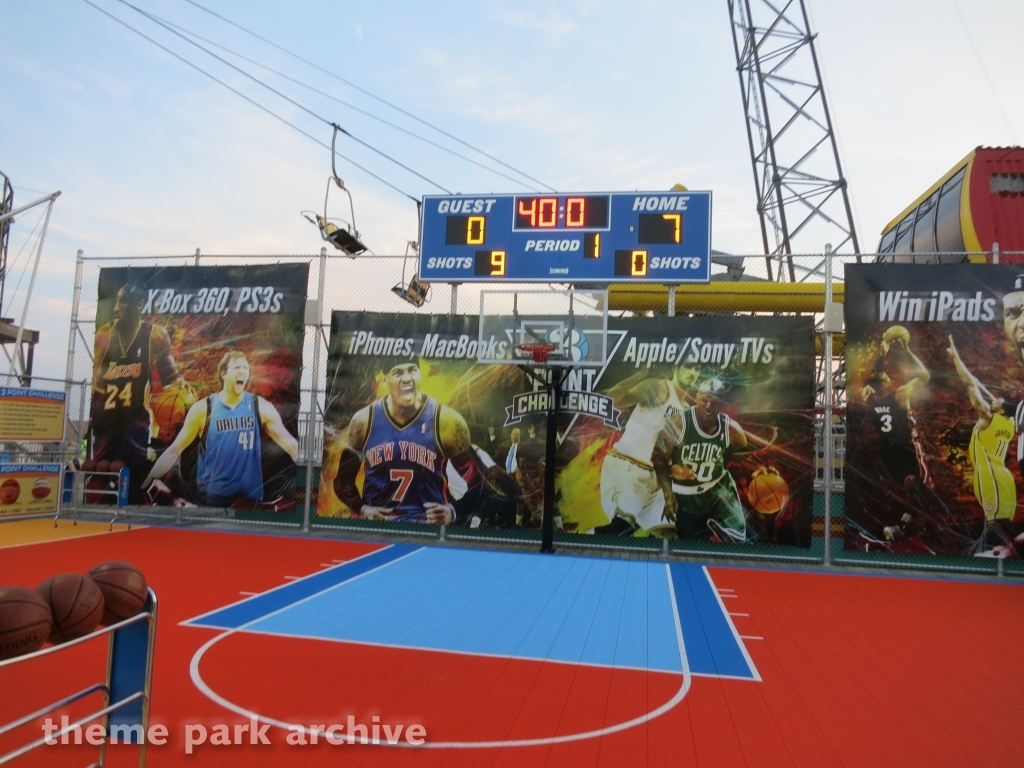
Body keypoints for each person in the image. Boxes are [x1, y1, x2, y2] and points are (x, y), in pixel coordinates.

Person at [142, 351, 298, 506]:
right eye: (237, 367)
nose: (243, 371)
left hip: (251, 497)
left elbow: (290, 444)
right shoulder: (204, 408)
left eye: (245, 368)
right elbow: (174, 450)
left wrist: (307, 471)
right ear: (223, 374)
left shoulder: (260, 406)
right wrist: (146, 483)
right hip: (215, 495)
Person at [332, 357, 472, 524]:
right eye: (397, 372)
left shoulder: (446, 420)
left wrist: (453, 510)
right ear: (384, 380)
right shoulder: (365, 420)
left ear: (420, 374)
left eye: (412, 370)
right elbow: (343, 481)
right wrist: (362, 508)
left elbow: (480, 481)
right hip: (379, 525)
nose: (406, 378)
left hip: (428, 527)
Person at [90, 282, 187, 499]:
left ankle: (158, 493)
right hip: (107, 419)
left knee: (136, 479)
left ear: (140, 304)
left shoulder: (156, 335)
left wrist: (181, 385)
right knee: (101, 477)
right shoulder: (105, 335)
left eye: (124, 301)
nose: (117, 308)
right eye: (117, 301)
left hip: (136, 420)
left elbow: (170, 376)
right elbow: (97, 383)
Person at [595, 364, 697, 536]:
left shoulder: (686, 410)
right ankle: (569, 543)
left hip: (653, 478)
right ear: (676, 367)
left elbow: (666, 457)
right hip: (626, 466)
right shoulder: (659, 388)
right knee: (620, 530)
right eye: (689, 366)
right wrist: (639, 375)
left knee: (670, 536)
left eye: (698, 368)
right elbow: (609, 401)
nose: (693, 373)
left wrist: (669, 490)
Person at [947, 335, 1017, 554]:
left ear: (1002, 409)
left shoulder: (988, 417)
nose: (994, 399)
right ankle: (998, 559)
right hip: (1002, 476)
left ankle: (992, 561)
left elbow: (969, 384)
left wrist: (956, 358)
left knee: (994, 525)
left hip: (990, 475)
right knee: (999, 522)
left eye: (999, 401)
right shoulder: (1011, 424)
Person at [671, 378, 752, 544]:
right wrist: (673, 472)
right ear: (697, 398)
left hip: (718, 491)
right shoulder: (680, 422)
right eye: (704, 401)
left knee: (738, 541)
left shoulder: (731, 428)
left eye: (714, 403)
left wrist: (761, 471)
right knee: (691, 547)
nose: (708, 406)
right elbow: (658, 460)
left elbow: (745, 450)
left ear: (721, 404)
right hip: (687, 496)